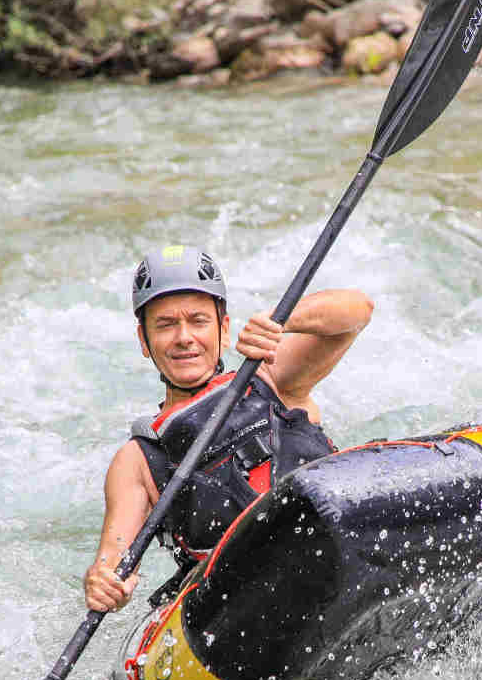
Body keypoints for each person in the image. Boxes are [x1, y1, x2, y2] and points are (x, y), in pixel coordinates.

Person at [83, 244, 373, 613]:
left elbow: (358, 311)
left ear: (223, 328)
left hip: (337, 544)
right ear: (144, 341)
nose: (184, 337)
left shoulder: (271, 376)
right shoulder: (139, 460)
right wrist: (104, 582)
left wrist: (283, 321)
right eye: (166, 325)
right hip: (242, 607)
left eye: (198, 321)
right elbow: (114, 563)